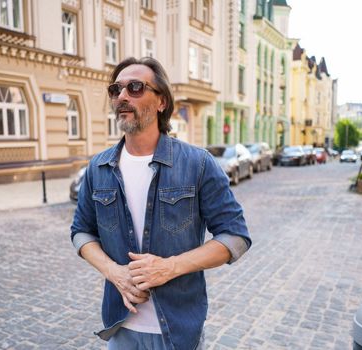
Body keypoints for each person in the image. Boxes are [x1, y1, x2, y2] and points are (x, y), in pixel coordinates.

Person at [70, 57, 251, 350]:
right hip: (119, 327)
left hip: (177, 331)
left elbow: (236, 237)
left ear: (162, 102)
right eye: (116, 90)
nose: (123, 96)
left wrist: (170, 267)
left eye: (136, 87)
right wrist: (113, 271)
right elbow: (81, 232)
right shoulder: (98, 167)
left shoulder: (198, 163)